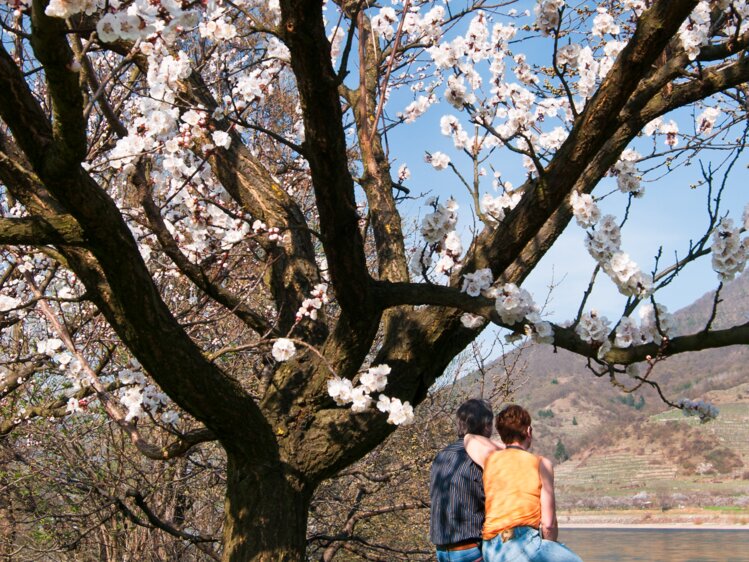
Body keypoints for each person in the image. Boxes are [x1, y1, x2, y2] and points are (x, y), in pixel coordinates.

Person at [464, 405, 582, 562]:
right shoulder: (541, 464)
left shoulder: (490, 459)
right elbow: (548, 524)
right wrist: (549, 546)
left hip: (491, 548)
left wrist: (506, 445)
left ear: (501, 434)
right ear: (529, 431)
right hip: (520, 542)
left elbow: (469, 438)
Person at [430, 399, 502, 561]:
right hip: (470, 548)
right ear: (486, 426)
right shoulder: (481, 457)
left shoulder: (442, 456)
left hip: (442, 549)